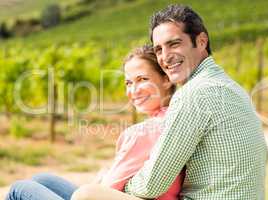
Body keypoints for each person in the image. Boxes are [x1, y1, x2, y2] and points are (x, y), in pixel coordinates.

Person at [71, 4, 268, 200]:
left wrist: (112, 189)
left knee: (86, 194)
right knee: (49, 182)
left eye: (174, 44)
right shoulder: (233, 87)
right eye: (158, 49)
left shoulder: (194, 94)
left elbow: (152, 185)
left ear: (201, 41)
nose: (165, 57)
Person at [5, 45, 184, 200]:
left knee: (19, 189)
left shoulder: (144, 133)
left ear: (167, 79)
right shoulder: (177, 119)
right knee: (42, 179)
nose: (133, 91)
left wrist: (101, 178)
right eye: (128, 83)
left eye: (142, 79)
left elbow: (104, 189)